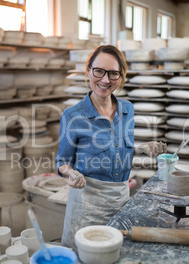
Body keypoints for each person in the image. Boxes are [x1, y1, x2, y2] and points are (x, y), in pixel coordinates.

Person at [55, 45, 167, 250]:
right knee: (85, 258)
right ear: (88, 70)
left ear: (121, 76)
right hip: (87, 204)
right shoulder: (72, 115)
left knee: (116, 256)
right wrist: (69, 173)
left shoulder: (127, 110)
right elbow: (62, 161)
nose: (105, 80)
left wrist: (141, 148)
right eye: (99, 71)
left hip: (121, 200)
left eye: (113, 73)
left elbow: (118, 148)